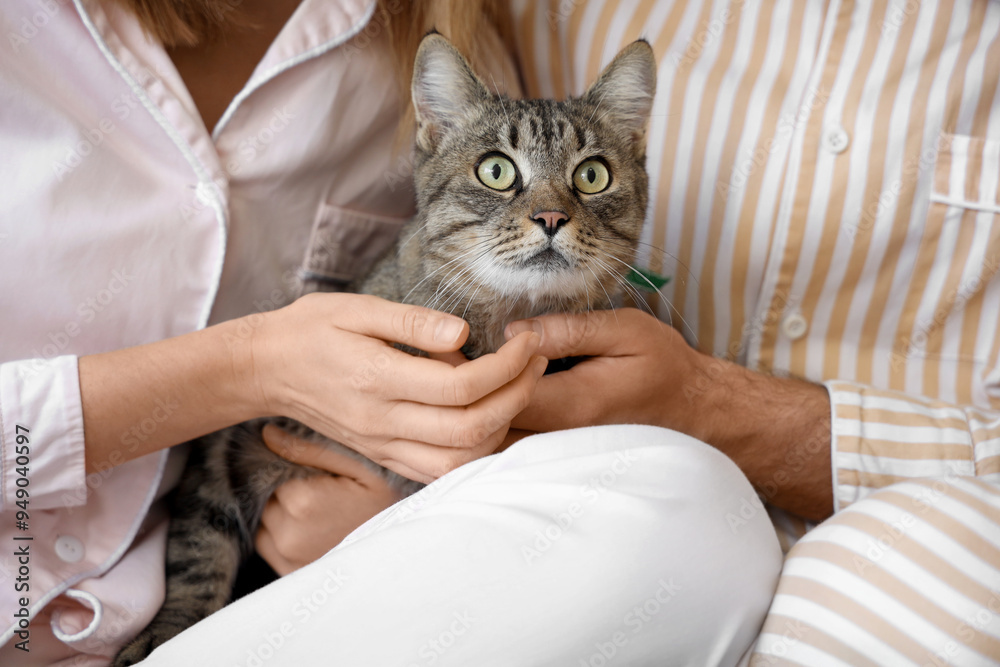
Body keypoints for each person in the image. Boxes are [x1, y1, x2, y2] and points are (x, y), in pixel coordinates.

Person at [0, 0, 997, 665]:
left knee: (694, 509)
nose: (557, 208)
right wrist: (250, 365)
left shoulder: (411, 36)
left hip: (423, 580)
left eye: (587, 184)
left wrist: (400, 546)